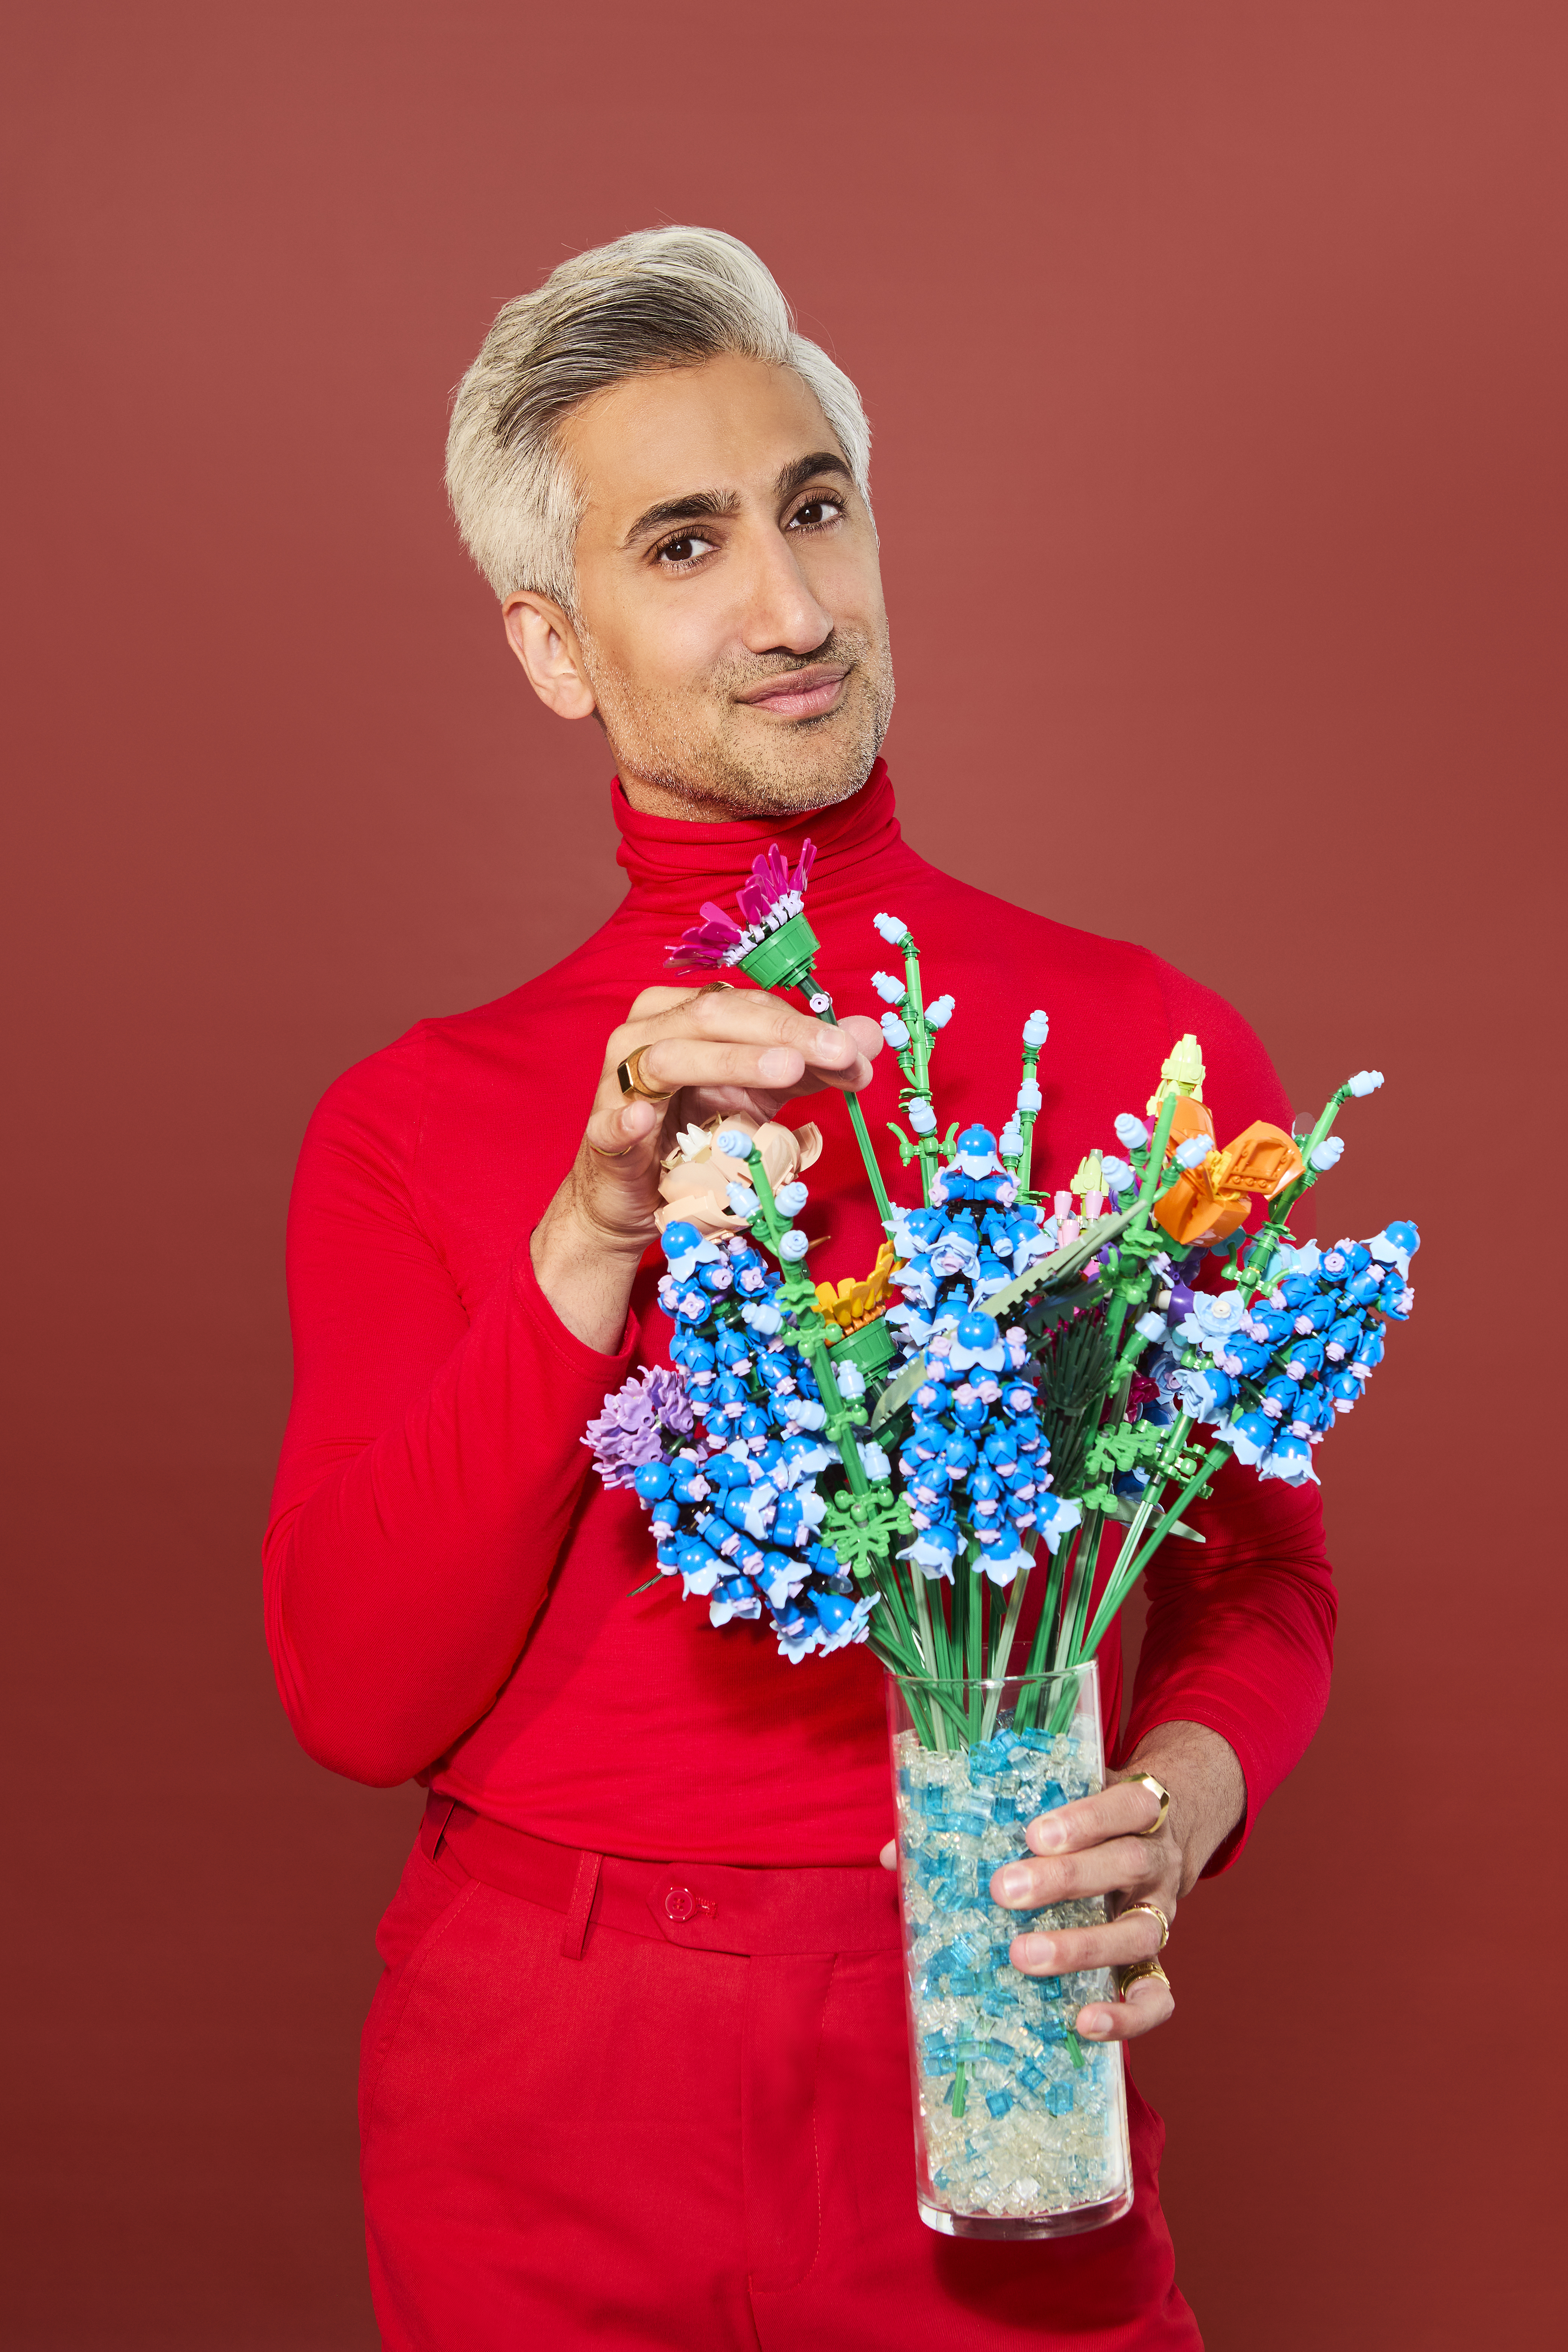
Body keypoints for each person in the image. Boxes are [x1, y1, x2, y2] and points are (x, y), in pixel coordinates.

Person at [265, 228, 1335, 2350]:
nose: (789, 608)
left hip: (988, 2039)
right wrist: (588, 1234)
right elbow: (356, 1699)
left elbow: (1255, 1582)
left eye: (813, 509)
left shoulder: (1147, 1054)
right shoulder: (421, 1119)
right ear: (555, 648)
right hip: (540, 2089)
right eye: (683, 547)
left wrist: (1183, 1802)